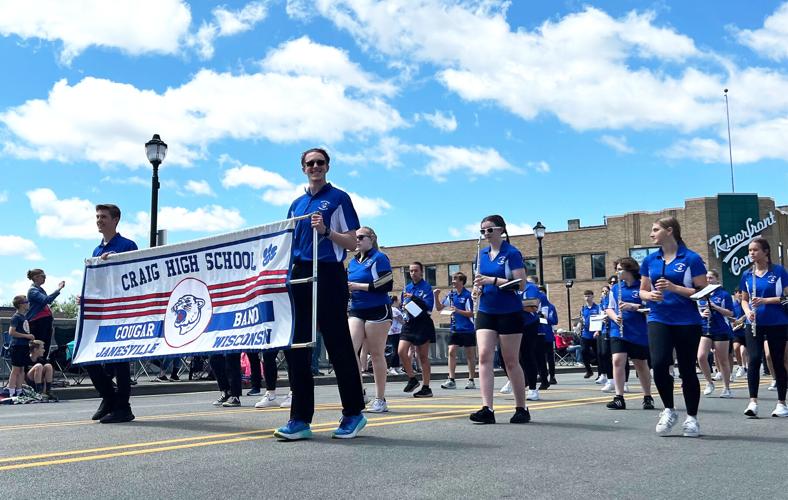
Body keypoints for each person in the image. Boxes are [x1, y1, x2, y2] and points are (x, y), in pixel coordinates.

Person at [273, 148, 366, 441]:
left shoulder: (338, 199)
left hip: (327, 272)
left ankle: (353, 412)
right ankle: (300, 418)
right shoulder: (296, 204)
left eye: (320, 162)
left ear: (327, 166)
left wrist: (326, 231)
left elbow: (352, 242)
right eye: (310, 163)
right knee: (297, 346)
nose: (315, 167)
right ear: (303, 168)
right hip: (299, 274)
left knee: (337, 344)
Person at [639, 216, 707, 437]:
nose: (651, 234)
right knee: (659, 364)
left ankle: (692, 418)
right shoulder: (650, 260)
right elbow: (642, 291)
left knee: (687, 368)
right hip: (658, 317)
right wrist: (650, 295)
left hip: (687, 320)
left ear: (669, 231)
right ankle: (669, 409)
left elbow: (703, 291)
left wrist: (675, 288)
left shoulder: (691, 258)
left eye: (655, 229)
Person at [469, 215, 530, 424]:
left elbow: (520, 284)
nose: (485, 234)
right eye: (482, 231)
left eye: (489, 230)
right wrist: (477, 288)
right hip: (486, 309)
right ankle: (487, 407)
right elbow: (478, 281)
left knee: (510, 360)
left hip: (509, 311)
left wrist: (492, 281)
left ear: (501, 230)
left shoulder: (512, 253)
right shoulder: (481, 254)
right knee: (484, 356)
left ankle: (521, 407)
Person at [83, 203, 139, 424]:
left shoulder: (127, 245)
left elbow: (136, 275)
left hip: (122, 311)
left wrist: (117, 262)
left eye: (103, 216)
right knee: (88, 356)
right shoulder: (96, 250)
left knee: (120, 360)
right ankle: (109, 396)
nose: (99, 220)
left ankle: (123, 406)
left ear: (115, 220)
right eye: (97, 216)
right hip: (102, 311)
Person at [347, 226, 394, 413]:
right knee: (350, 350)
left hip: (377, 309)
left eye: (361, 237)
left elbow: (386, 284)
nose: (356, 240)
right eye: (355, 237)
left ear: (371, 238)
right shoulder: (352, 262)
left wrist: (357, 286)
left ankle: (380, 398)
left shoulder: (380, 258)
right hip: (357, 309)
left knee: (376, 354)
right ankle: (360, 392)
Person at [740, 237, 788, 418]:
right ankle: (753, 401)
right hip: (754, 323)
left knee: (777, 361)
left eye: (755, 250)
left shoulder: (779, 271)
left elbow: (787, 298)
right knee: (753, 360)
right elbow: (744, 299)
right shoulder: (747, 274)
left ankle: (782, 402)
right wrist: (748, 311)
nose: (751, 253)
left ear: (765, 252)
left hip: (777, 322)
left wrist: (766, 300)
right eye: (750, 250)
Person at [605, 257, 654, 410]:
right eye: (617, 269)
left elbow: (651, 307)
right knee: (618, 361)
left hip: (638, 331)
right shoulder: (616, 288)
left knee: (640, 364)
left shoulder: (642, 286)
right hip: (618, 330)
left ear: (629, 270)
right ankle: (619, 397)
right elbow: (609, 307)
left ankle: (647, 396)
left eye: (620, 269)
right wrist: (615, 317)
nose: (617, 272)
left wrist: (633, 306)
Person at [399, 262, 436, 398]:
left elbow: (428, 307)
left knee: (423, 356)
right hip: (409, 322)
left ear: (421, 272)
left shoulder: (426, 287)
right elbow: (404, 305)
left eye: (415, 270)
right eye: (411, 271)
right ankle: (412, 378)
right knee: (401, 351)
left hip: (422, 323)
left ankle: (426, 387)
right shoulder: (407, 288)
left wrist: (414, 298)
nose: (413, 273)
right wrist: (404, 308)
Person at [435, 271, 477, 390]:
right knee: (451, 351)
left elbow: (471, 313)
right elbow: (439, 308)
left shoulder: (467, 296)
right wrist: (436, 296)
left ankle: (471, 380)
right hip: (455, 329)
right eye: (452, 279)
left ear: (462, 282)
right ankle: (451, 379)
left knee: (470, 355)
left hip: (468, 329)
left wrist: (458, 311)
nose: (453, 281)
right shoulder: (451, 295)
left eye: (455, 279)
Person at [696, 270, 734, 398]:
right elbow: (696, 311)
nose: (708, 280)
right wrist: (702, 314)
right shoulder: (700, 295)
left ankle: (727, 388)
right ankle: (709, 382)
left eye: (711, 278)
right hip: (705, 328)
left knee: (722, 360)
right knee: (701, 356)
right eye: (706, 278)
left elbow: (730, 313)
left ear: (717, 280)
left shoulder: (723, 294)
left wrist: (716, 308)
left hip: (721, 329)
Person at [25, 268, 65, 361]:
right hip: (38, 322)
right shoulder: (33, 290)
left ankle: (42, 368)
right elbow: (46, 300)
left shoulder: (40, 289)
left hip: (45, 322)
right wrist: (58, 289)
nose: (45, 278)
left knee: (44, 347)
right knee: (38, 347)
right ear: (36, 277)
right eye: (43, 276)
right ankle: (37, 368)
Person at [7, 295, 35, 398]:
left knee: (22, 369)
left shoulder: (24, 317)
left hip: (23, 346)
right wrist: (26, 336)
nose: (28, 303)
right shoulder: (16, 317)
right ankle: (11, 392)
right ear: (20, 305)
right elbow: (11, 332)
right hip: (17, 346)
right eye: (26, 302)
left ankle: (19, 391)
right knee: (15, 370)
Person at [579, 290, 603, 380]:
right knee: (583, 351)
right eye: (585, 296)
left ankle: (600, 374)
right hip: (585, 334)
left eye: (589, 296)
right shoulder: (583, 308)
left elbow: (600, 319)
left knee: (598, 354)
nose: (587, 298)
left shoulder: (597, 307)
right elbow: (583, 319)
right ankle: (589, 370)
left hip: (595, 334)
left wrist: (598, 330)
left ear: (592, 296)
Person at [538, 287, 559, 386]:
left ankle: (552, 376)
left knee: (550, 357)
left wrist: (546, 318)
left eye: (542, 293)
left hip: (547, 334)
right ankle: (542, 374)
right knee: (539, 356)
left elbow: (555, 321)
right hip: (537, 334)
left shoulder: (551, 307)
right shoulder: (535, 306)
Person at [597, 284, 615, 392]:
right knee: (604, 354)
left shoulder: (612, 298)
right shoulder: (602, 302)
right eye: (602, 291)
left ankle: (623, 382)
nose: (604, 293)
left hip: (613, 329)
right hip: (604, 329)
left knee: (617, 357)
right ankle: (610, 379)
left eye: (606, 291)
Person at [730, 288, 748, 380]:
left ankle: (747, 367)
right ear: (735, 294)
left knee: (744, 350)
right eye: (738, 293)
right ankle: (741, 366)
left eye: (742, 292)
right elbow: (730, 316)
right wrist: (734, 322)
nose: (740, 294)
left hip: (746, 330)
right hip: (737, 331)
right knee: (736, 347)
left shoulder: (747, 303)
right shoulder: (733, 305)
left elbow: (751, 312)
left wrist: (742, 319)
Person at [386, 296, 404, 375]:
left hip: (396, 332)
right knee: (393, 350)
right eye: (398, 301)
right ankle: (391, 367)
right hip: (393, 332)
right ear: (395, 301)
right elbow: (401, 320)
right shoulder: (394, 309)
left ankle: (396, 367)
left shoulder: (395, 310)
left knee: (397, 350)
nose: (399, 302)